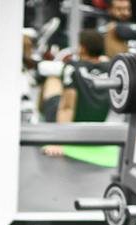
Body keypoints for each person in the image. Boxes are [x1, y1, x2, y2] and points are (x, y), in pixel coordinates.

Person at [40, 29, 112, 157]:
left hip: (73, 125)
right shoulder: (111, 67)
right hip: (97, 124)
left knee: (52, 80)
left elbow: (67, 107)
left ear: (83, 48)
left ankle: (39, 118)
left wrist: (58, 141)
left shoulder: (72, 67)